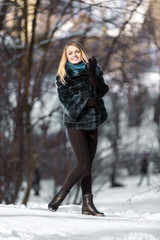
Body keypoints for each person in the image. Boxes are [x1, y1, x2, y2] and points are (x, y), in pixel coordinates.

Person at [48, 41, 109, 216]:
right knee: (82, 163)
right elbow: (65, 100)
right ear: (65, 56)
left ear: (81, 52)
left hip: (93, 121)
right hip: (75, 121)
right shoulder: (63, 75)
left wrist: (92, 74)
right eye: (70, 53)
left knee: (88, 164)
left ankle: (87, 205)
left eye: (76, 52)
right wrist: (86, 102)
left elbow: (101, 91)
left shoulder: (94, 69)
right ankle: (59, 197)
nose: (73, 55)